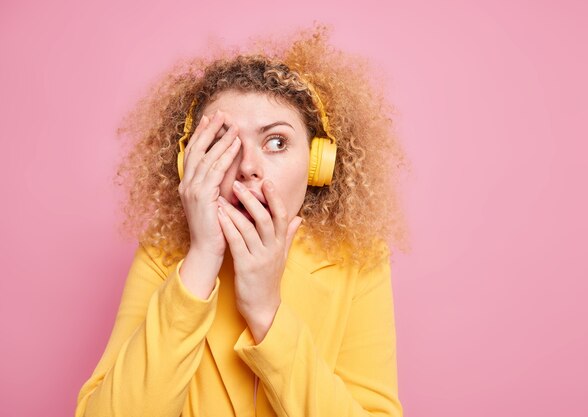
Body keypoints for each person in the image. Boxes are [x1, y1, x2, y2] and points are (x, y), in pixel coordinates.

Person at [75, 24, 407, 417]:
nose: (249, 167)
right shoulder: (162, 258)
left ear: (318, 165)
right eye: (223, 145)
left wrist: (267, 312)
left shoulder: (358, 261)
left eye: (277, 142)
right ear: (191, 165)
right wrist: (200, 262)